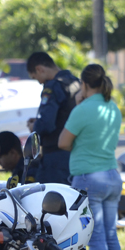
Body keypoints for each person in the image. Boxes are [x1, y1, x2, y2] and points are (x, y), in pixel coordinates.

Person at [58, 64, 122, 250]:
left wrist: (78, 105)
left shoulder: (82, 110)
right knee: (111, 234)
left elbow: (63, 142)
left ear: (83, 84)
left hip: (89, 178)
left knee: (95, 237)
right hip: (112, 175)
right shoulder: (112, 106)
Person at [26, 52, 80, 184]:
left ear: (40, 69)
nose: (39, 82)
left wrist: (35, 127)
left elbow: (47, 123)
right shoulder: (75, 82)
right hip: (75, 153)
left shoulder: (53, 87)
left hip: (55, 156)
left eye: (35, 77)